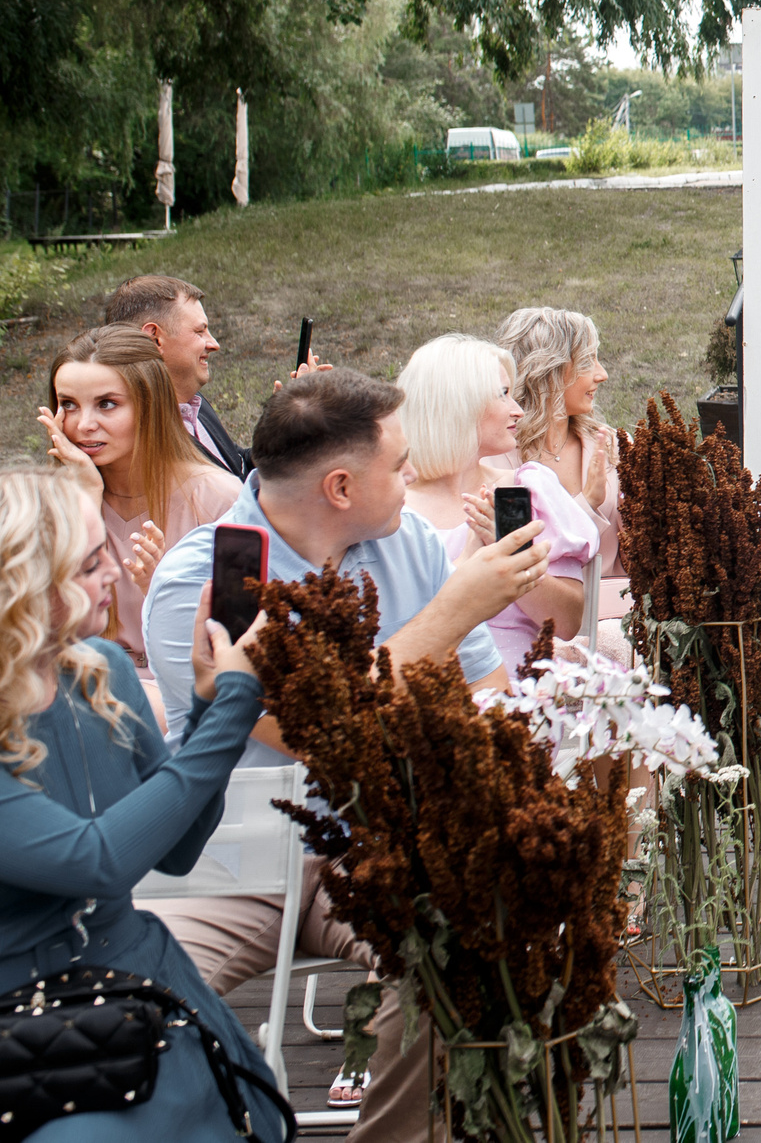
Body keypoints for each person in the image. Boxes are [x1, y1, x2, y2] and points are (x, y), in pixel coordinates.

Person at [139, 369, 551, 1143]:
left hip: (370, 846)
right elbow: (315, 729)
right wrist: (458, 607)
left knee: (458, 949)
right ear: (339, 484)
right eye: (398, 464)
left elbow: (480, 692)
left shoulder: (410, 545)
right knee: (125, 996)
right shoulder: (203, 580)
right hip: (221, 860)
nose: (412, 477)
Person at [0, 468, 292, 1141]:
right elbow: (98, 860)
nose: (114, 572)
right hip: (29, 1029)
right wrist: (236, 706)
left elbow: (180, 844)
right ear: (25, 585)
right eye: (91, 560)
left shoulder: (99, 669)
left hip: (144, 984)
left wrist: (211, 699)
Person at [36, 325, 242, 713]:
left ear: (150, 404)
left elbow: (240, 638)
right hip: (81, 692)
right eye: (69, 404)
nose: (83, 425)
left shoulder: (219, 498)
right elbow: (45, 631)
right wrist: (84, 496)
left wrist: (163, 589)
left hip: (191, 696)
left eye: (107, 404)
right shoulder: (54, 507)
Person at [399, 334, 593, 668]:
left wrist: (513, 552)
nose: (517, 410)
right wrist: (470, 562)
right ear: (457, 404)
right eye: (503, 395)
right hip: (424, 694)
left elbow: (567, 622)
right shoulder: (392, 508)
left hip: (521, 691)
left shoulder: (521, 490)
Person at [498, 308, 624, 646]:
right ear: (548, 373)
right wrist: (586, 506)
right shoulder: (499, 459)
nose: (602, 374)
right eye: (587, 362)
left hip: (615, 628)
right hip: (532, 637)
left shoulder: (607, 444)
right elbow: (513, 556)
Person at [101, 275, 251, 479]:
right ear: (154, 338)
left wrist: (286, 420)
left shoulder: (192, 402)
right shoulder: (138, 441)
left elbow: (239, 465)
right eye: (200, 331)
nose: (214, 344)